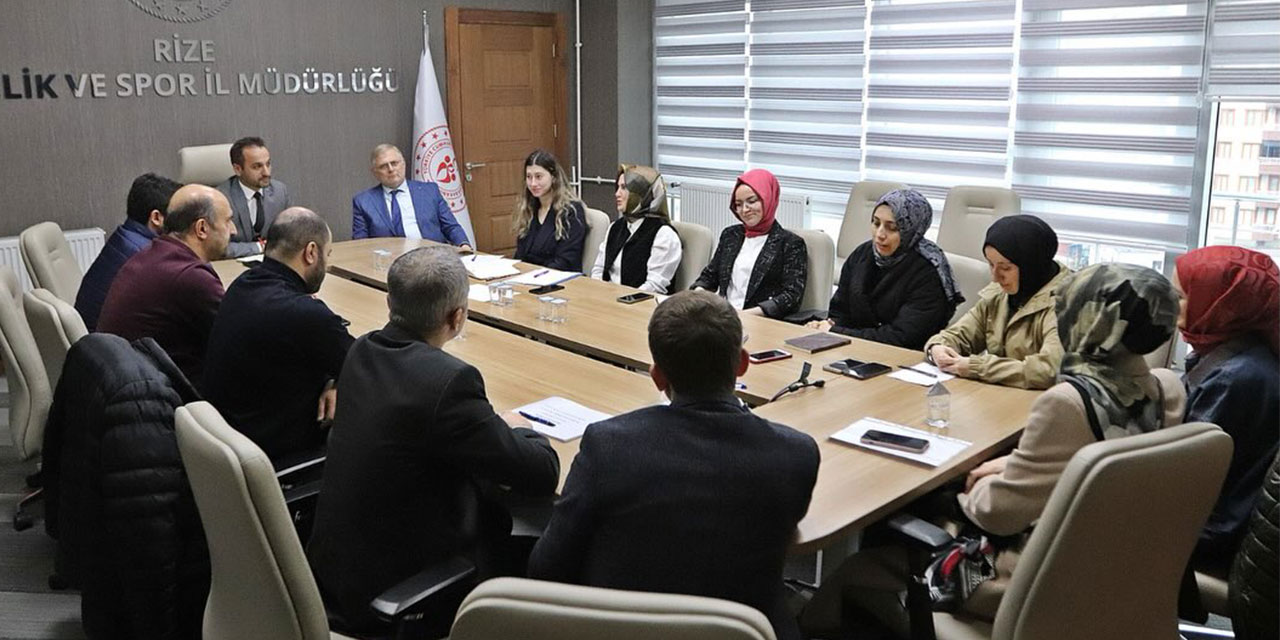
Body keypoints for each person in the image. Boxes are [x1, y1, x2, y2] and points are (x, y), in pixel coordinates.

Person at [529, 290, 819, 640]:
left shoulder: (608, 447)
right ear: (743, 364)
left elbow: (547, 568)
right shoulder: (798, 454)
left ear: (657, 377)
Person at [307, 246, 559, 636]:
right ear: (457, 317)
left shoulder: (361, 350)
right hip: (400, 595)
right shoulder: (450, 383)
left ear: (390, 303)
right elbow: (541, 472)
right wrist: (520, 428)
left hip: (333, 574)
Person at [202, 208, 355, 463]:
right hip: (281, 458)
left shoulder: (243, 284)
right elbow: (366, 369)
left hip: (229, 441)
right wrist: (340, 379)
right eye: (327, 254)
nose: (326, 265)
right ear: (311, 252)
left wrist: (335, 381)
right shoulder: (305, 314)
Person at [1173, 246, 1280, 569]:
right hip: (1222, 522)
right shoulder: (1246, 353)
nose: (1171, 304)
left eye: (1180, 296)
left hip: (1212, 535)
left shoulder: (1234, 378)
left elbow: (1181, 473)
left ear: (1222, 304)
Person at [97, 184, 233, 386]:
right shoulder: (190, 276)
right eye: (228, 221)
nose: (234, 230)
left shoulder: (153, 253)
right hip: (161, 394)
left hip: (124, 383)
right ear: (202, 228)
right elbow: (237, 339)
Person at [924, 215, 1069, 389]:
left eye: (1005, 268)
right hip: (1000, 394)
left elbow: (1048, 370)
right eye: (991, 264)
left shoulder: (1066, 302)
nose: (995, 277)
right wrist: (937, 348)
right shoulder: (1000, 293)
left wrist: (978, 367)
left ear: (1031, 265)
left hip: (1043, 400)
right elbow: (959, 334)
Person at [807, 188, 961, 349]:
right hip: (856, 348)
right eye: (876, 223)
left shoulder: (928, 272)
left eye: (892, 228)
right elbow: (840, 310)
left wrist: (837, 332)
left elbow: (903, 338)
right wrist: (828, 326)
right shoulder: (862, 254)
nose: (880, 234)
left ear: (911, 229)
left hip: (902, 356)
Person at [691, 169, 808, 318]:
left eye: (752, 201)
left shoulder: (791, 243)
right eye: (738, 204)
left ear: (768, 199)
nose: (744, 210)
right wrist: (698, 296)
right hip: (724, 316)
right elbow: (709, 276)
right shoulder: (730, 235)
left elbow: (791, 297)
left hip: (761, 320)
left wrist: (744, 315)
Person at [75, 172, 181, 331]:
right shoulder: (147, 256)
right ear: (156, 218)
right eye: (178, 215)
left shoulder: (124, 237)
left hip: (94, 338)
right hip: (108, 341)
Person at [351, 144, 473, 250]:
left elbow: (450, 226)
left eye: (394, 163)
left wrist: (464, 245)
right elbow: (361, 244)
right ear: (375, 172)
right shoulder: (363, 202)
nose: (391, 169)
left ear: (403, 164)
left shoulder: (429, 191)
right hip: (389, 262)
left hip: (432, 257)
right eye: (383, 166)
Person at [590, 164, 682, 294]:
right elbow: (599, 270)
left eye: (624, 188)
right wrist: (598, 293)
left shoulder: (664, 235)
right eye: (617, 187)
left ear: (641, 194)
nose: (617, 194)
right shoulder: (615, 227)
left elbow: (654, 286)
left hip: (642, 302)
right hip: (608, 299)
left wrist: (620, 300)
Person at [215, 136, 292, 258]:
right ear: (238, 169)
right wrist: (259, 247)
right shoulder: (221, 198)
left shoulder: (279, 191)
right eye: (257, 167)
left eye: (268, 164)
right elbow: (217, 247)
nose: (266, 172)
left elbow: (291, 236)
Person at [512, 149, 588, 271]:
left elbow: (566, 261)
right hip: (529, 276)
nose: (533, 183)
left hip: (558, 277)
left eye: (538, 177)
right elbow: (520, 254)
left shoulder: (571, 211)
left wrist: (533, 275)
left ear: (553, 177)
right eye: (529, 177)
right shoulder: (530, 208)